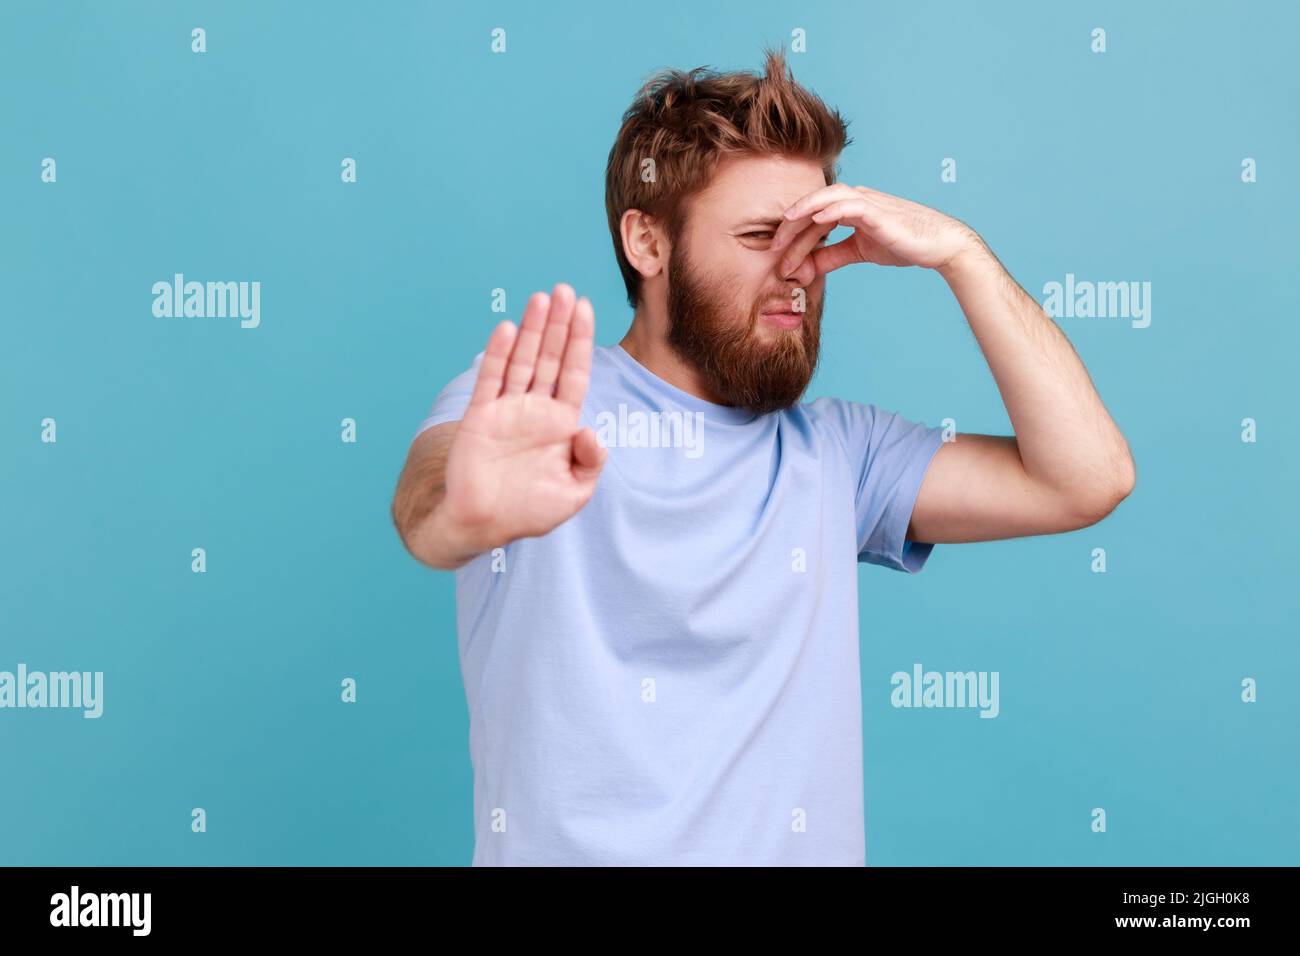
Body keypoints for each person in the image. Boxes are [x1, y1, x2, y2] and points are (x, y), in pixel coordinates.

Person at [390, 48, 1135, 866]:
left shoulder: (841, 455)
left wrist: (960, 253)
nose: (797, 275)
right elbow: (429, 506)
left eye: (813, 238)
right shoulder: (533, 409)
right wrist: (462, 512)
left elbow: (1087, 479)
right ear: (647, 242)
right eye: (757, 237)